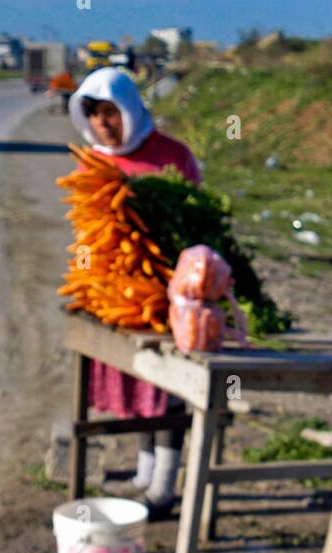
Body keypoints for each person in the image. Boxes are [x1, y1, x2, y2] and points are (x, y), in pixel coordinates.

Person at [68, 68, 202, 519]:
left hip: (165, 297)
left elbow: (193, 222)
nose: (104, 123)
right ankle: (145, 473)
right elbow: (85, 231)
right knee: (138, 383)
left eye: (111, 113)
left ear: (130, 110)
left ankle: (163, 488)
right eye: (95, 114)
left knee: (168, 389)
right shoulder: (93, 162)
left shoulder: (173, 156)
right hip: (114, 299)